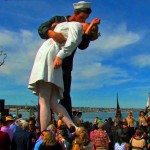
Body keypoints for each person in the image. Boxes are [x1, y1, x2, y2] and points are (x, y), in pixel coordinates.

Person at [28, 18, 100, 131]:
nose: (85, 22)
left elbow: (72, 42)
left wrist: (60, 56)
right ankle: (74, 129)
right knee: (52, 101)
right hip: (53, 54)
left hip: (50, 54)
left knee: (44, 100)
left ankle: (43, 132)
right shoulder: (76, 27)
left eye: (87, 23)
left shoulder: (77, 26)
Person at [38, 1, 100, 118]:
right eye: (81, 17)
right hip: (49, 61)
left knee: (64, 95)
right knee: (44, 96)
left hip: (65, 66)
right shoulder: (59, 19)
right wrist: (52, 33)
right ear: (75, 13)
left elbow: (83, 46)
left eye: (85, 18)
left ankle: (67, 128)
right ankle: (42, 126)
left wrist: (89, 29)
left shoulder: (80, 27)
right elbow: (41, 29)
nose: (82, 20)